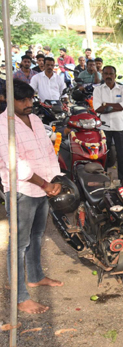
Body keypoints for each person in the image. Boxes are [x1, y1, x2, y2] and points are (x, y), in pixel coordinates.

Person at [0, 80, 64, 314]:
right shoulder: (3, 125)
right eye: (22, 100)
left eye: (30, 99)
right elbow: (17, 166)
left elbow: (48, 150)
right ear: (8, 99)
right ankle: (20, 297)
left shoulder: (36, 119)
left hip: (43, 188)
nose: (28, 104)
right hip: (22, 191)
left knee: (36, 236)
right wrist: (46, 184)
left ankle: (35, 277)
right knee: (18, 244)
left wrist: (55, 179)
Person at [93, 66, 123, 179]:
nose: (109, 76)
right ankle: (103, 179)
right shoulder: (98, 89)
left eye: (111, 74)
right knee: (103, 155)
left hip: (120, 126)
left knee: (122, 155)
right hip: (104, 127)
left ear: (115, 75)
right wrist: (116, 106)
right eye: (106, 74)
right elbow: (97, 108)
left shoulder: (122, 89)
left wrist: (106, 105)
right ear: (102, 75)